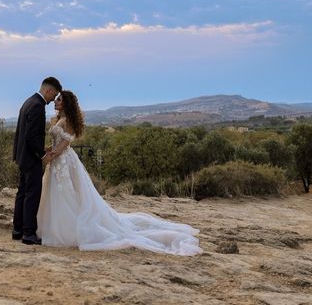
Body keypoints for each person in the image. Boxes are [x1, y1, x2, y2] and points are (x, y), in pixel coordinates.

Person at [37, 90, 202, 255]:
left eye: (59, 100)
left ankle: (66, 230)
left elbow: (65, 144)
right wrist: (46, 151)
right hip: (57, 160)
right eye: (56, 99)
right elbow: (56, 142)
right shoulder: (58, 119)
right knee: (59, 193)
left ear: (66, 103)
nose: (55, 102)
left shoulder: (68, 121)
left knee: (67, 194)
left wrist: (49, 157)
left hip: (64, 161)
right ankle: (53, 227)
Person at [12, 76, 63, 245]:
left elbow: (21, 134)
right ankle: (28, 234)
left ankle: (17, 230)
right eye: (54, 95)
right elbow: (32, 137)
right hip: (31, 158)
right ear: (48, 90)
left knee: (22, 193)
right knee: (32, 195)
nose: (53, 99)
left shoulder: (28, 102)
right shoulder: (37, 106)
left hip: (22, 156)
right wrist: (42, 155)